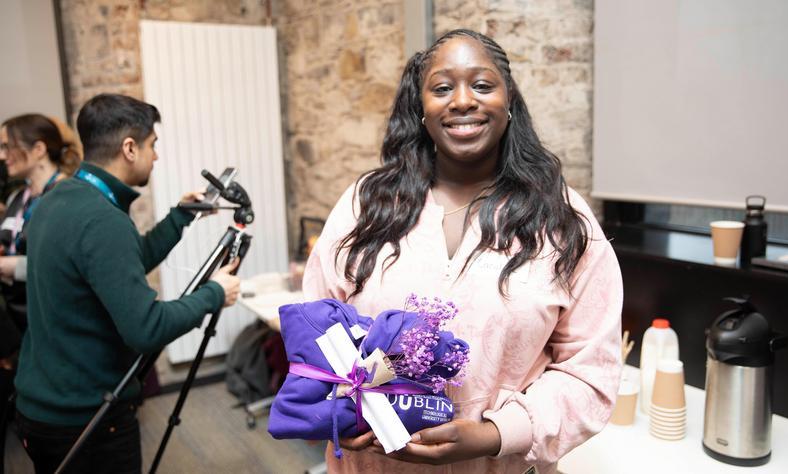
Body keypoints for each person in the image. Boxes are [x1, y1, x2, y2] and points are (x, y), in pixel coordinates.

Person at [302, 29, 623, 474]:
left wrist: (496, 434)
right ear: (421, 109)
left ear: (509, 101)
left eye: (482, 85)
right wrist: (339, 408)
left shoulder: (563, 220)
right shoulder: (366, 205)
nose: (463, 101)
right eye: (442, 88)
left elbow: (590, 371)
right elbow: (317, 328)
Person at [13, 93, 241, 474]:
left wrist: (180, 217)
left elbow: (117, 269)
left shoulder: (59, 198)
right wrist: (214, 294)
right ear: (130, 148)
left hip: (43, 408)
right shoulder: (103, 219)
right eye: (153, 145)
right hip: (85, 418)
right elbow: (147, 328)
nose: (157, 156)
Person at [0, 114, 82, 470]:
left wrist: (9, 266)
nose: (1, 155)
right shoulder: (19, 197)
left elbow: (60, 265)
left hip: (48, 323)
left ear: (37, 149)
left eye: (7, 146)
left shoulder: (66, 196)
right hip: (18, 318)